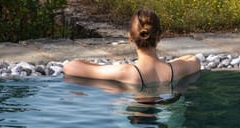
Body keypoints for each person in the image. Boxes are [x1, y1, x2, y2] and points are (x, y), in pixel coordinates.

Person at [63, 8, 200, 87]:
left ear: (130, 37)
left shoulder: (124, 72)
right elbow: (193, 59)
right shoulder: (177, 69)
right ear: (160, 36)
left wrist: (100, 67)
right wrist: (168, 63)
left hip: (134, 119)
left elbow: (70, 67)